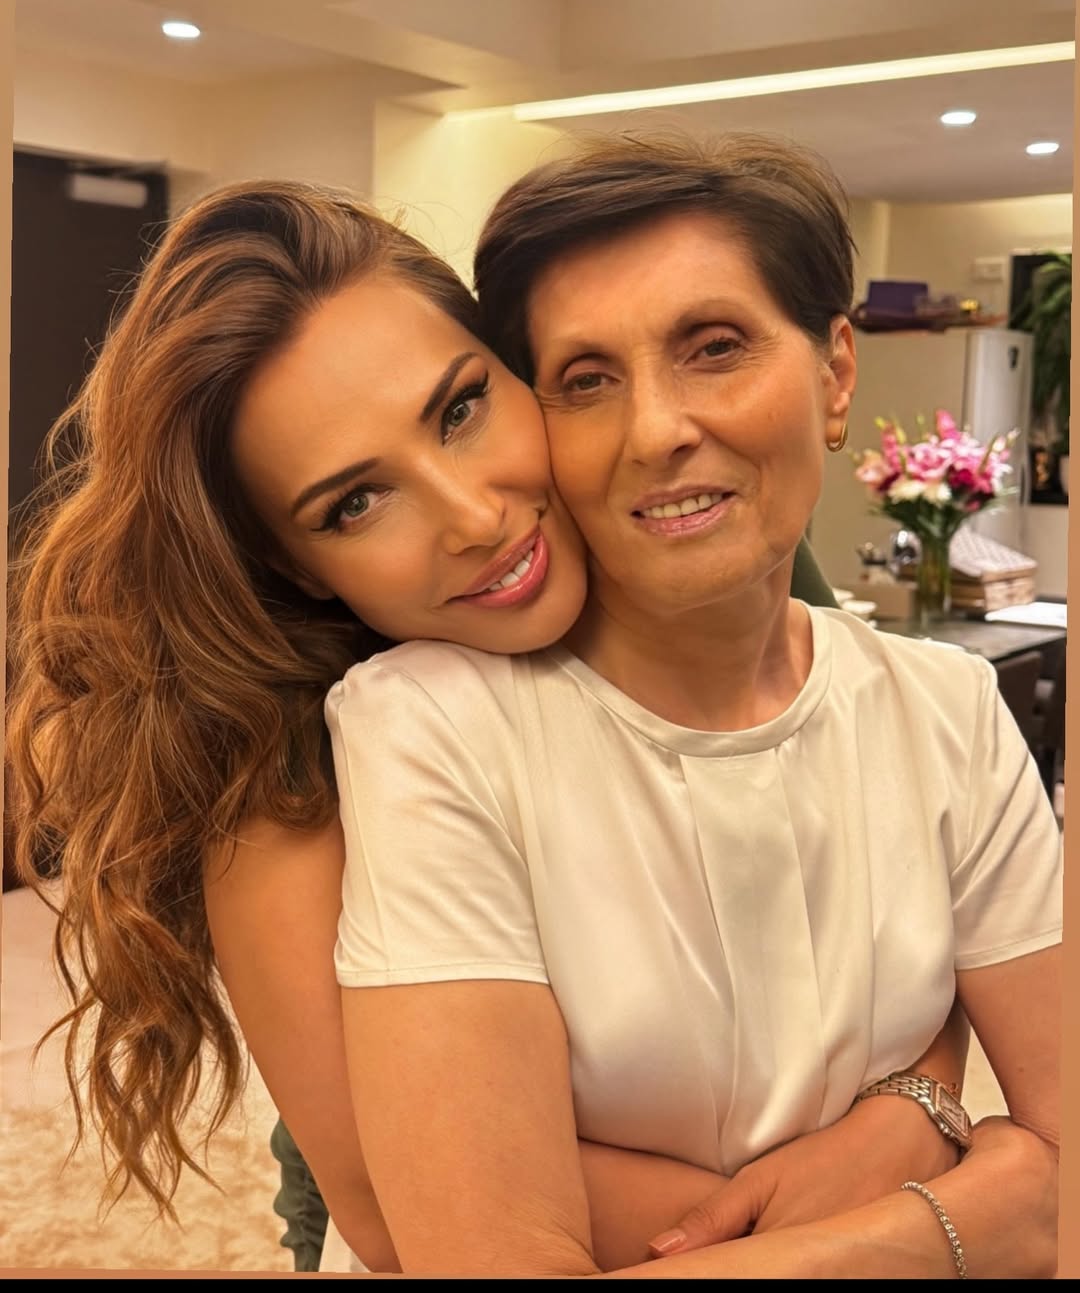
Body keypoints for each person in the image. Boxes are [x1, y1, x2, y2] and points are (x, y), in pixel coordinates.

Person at [5, 175, 965, 1277]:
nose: (473, 518)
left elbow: (898, 889)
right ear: (291, 562)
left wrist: (915, 1103)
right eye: (355, 502)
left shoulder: (709, 542)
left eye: (460, 409)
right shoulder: (282, 766)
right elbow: (388, 1206)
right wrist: (921, 1215)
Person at [325, 131, 1062, 1278]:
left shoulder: (947, 708)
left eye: (714, 349)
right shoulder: (434, 725)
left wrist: (930, 1121)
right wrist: (959, 1224)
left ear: (836, 373)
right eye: (586, 380)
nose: (657, 430)